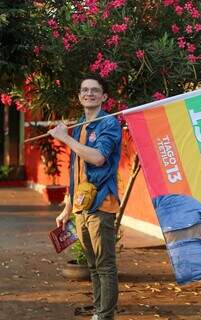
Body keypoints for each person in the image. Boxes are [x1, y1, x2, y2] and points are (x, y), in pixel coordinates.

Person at [48, 74, 122, 320]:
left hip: (101, 203)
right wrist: (67, 207)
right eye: (84, 90)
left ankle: (105, 315)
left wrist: (65, 138)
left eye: (94, 90)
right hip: (81, 205)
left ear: (104, 96)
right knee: (92, 265)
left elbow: (98, 157)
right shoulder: (80, 123)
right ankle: (99, 312)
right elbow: (75, 170)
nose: (89, 93)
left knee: (105, 265)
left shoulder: (108, 124)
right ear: (79, 96)